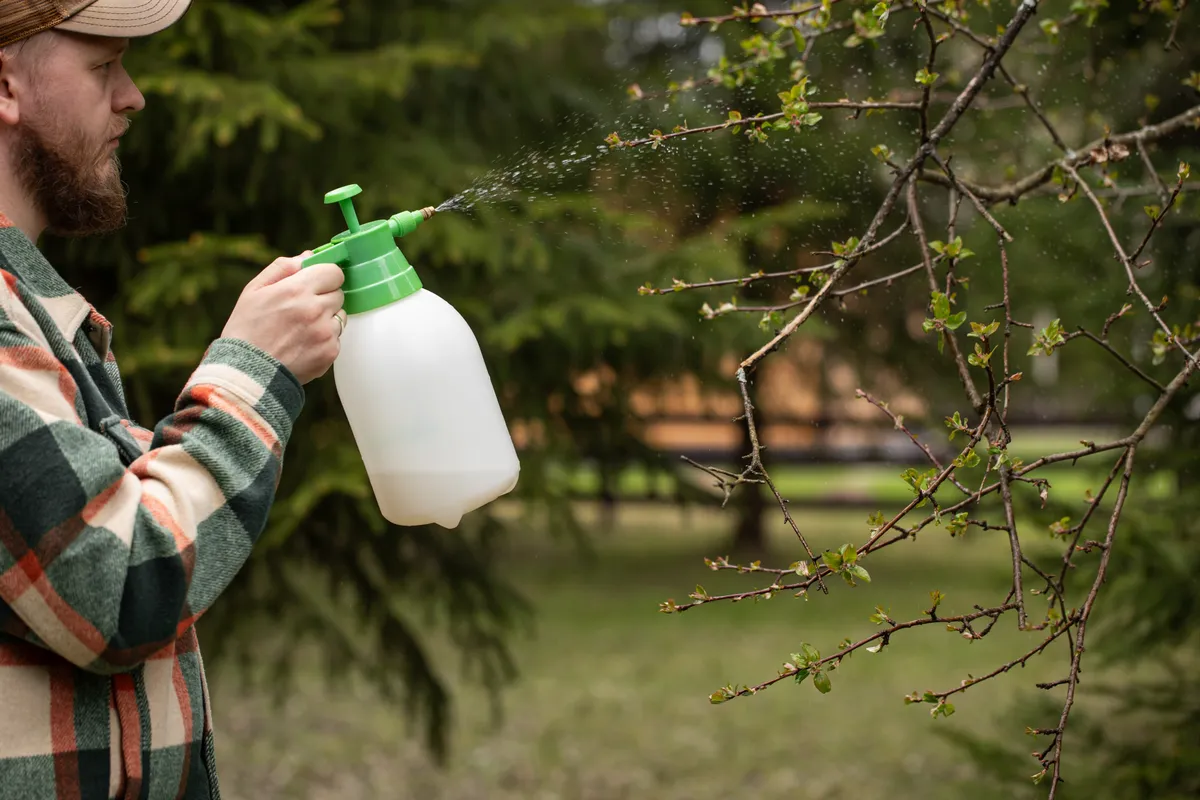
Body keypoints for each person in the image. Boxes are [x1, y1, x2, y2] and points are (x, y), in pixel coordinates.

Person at [0, 1, 347, 797]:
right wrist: (255, 371)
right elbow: (119, 584)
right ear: (6, 83)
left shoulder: (31, 310)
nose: (133, 97)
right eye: (103, 66)